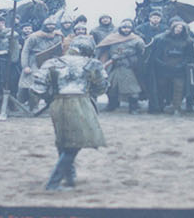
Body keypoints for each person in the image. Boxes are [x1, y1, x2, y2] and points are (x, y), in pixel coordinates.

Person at [39, 36, 108, 190]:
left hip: (57, 103)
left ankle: (70, 177)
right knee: (74, 144)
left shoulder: (52, 62)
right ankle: (53, 183)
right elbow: (102, 87)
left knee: (63, 140)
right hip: (80, 102)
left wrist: (51, 97)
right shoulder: (92, 63)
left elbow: (37, 88)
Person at [146, 17, 194, 115]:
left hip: (179, 69)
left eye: (181, 28)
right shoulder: (161, 39)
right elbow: (155, 55)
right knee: (161, 88)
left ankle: (176, 107)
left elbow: (189, 56)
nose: (178, 30)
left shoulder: (188, 41)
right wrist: (162, 64)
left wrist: (182, 65)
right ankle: (159, 106)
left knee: (179, 88)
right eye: (176, 28)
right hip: (163, 68)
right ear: (172, 28)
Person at [97, 19, 147, 113]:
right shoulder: (112, 38)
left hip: (128, 67)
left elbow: (141, 51)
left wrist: (127, 54)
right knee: (111, 87)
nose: (126, 30)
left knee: (132, 89)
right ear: (120, 28)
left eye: (128, 28)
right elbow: (105, 49)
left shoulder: (136, 39)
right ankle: (112, 105)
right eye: (124, 28)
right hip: (114, 66)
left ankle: (133, 107)